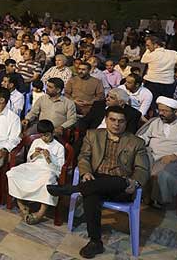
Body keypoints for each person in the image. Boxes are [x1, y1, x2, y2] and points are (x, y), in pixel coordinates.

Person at [47, 106, 149, 259]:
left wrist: (134, 182)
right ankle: (95, 242)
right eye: (112, 120)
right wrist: (86, 172)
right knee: (92, 194)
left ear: (126, 123)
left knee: (105, 185)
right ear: (106, 120)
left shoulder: (136, 142)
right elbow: (84, 157)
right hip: (95, 181)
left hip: (121, 186)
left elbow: (142, 169)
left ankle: (73, 189)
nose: (116, 124)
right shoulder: (93, 135)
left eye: (121, 121)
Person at [6, 119, 66, 225]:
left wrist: (49, 159)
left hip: (48, 170)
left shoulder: (59, 147)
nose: (44, 138)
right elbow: (29, 159)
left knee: (47, 182)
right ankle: (21, 205)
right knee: (13, 173)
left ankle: (40, 213)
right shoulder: (36, 142)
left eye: (46, 135)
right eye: (42, 136)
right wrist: (35, 154)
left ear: (52, 133)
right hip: (33, 167)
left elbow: (60, 169)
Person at [141, 35, 177, 107]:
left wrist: (148, 51)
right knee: (165, 106)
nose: (147, 48)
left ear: (156, 45)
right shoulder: (173, 53)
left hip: (152, 84)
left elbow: (143, 60)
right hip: (168, 84)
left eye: (148, 45)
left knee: (152, 107)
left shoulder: (151, 55)